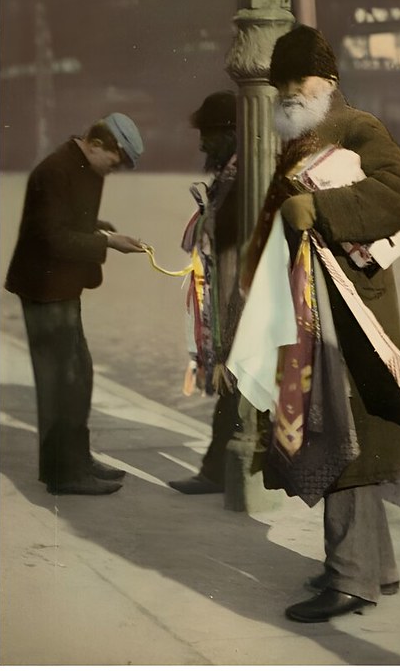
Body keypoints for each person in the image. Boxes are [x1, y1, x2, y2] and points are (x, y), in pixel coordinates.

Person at [234, 24, 400, 623]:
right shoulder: (306, 135)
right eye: (283, 82)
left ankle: (351, 579)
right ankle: (375, 568)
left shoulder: (359, 127)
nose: (291, 90)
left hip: (349, 314)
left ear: (330, 80)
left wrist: (320, 207)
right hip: (317, 309)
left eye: (302, 79)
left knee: (342, 436)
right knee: (350, 437)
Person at [5, 114, 147, 496]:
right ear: (97, 143)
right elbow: (53, 238)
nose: (114, 171)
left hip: (62, 286)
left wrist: (106, 230)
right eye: (115, 162)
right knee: (59, 383)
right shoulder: (54, 171)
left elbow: (74, 220)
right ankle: (63, 474)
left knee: (79, 374)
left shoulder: (82, 168)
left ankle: (77, 459)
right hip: (44, 288)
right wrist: (108, 243)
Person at [168, 91, 244, 496]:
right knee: (233, 386)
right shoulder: (234, 172)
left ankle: (218, 471)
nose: (201, 144)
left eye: (208, 134)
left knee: (235, 385)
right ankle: (218, 469)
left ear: (231, 132)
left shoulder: (244, 175)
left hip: (240, 300)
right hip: (226, 296)